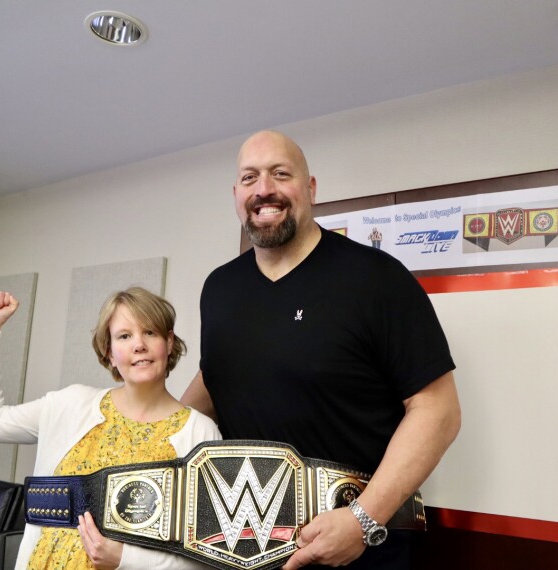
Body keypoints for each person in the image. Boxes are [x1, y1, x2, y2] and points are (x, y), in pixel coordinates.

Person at [182, 130, 461, 569]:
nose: (264, 189)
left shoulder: (376, 278)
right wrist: (142, 432)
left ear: (310, 188)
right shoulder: (218, 288)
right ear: (236, 194)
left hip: (361, 545)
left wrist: (362, 520)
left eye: (280, 174)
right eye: (250, 178)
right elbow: (216, 378)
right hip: (243, 544)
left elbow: (438, 411)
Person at [0, 288, 220, 570]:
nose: (139, 345)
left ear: (169, 342)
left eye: (150, 332)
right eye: (124, 336)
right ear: (109, 352)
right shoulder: (70, 405)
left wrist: (125, 559)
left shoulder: (200, 433)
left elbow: (209, 557)